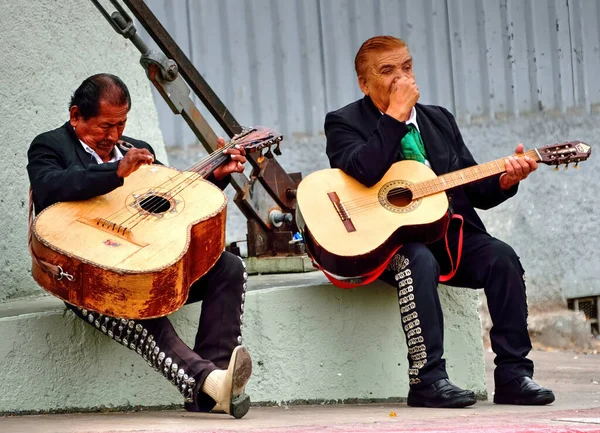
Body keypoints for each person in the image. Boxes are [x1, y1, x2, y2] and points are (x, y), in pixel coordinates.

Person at [324, 36, 555, 408]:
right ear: (364, 84)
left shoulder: (439, 119)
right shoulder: (343, 122)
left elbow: (473, 187)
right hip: (389, 243)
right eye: (387, 71)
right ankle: (427, 380)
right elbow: (362, 171)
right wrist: (394, 117)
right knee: (418, 259)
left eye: (407, 67)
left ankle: (514, 375)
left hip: (451, 234)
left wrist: (506, 179)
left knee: (503, 258)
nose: (402, 78)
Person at [27, 73, 252, 418]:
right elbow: (50, 187)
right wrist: (116, 171)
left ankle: (216, 384)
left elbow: (172, 204)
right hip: (83, 277)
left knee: (228, 266)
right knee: (139, 305)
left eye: (121, 124)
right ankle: (209, 383)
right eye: (105, 127)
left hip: (142, 267)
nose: (114, 136)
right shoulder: (50, 146)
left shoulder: (135, 148)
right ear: (76, 116)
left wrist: (215, 177)